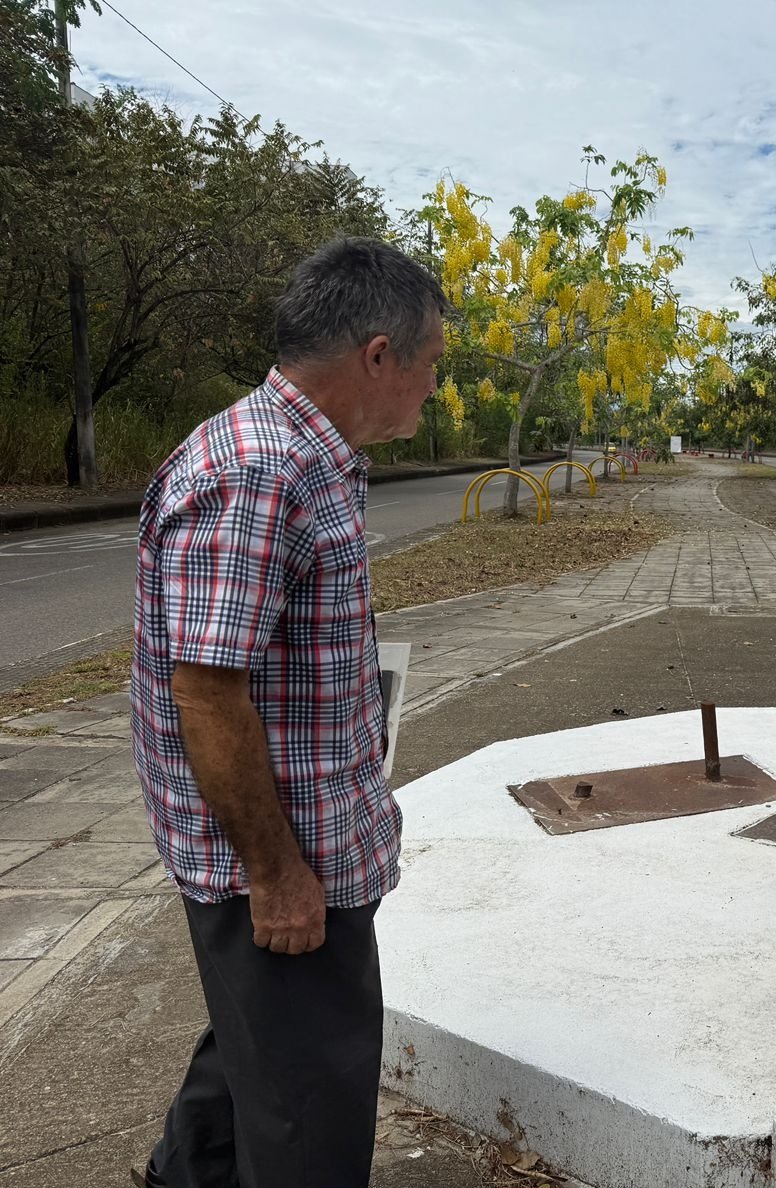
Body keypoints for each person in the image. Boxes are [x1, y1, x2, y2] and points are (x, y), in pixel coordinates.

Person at [129, 237, 447, 1187]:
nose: (434, 387)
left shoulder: (310, 454)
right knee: (311, 1098)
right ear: (378, 356)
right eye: (431, 364)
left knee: (257, 1044)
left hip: (312, 832)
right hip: (279, 857)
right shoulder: (262, 471)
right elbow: (206, 688)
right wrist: (277, 876)